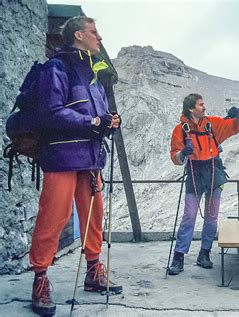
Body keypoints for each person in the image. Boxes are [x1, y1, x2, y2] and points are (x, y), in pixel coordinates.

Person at [29, 16, 122, 315]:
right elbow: (50, 113)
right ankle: (40, 278)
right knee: (54, 217)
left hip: (91, 156)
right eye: (95, 32)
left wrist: (109, 121)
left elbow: (96, 116)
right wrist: (93, 121)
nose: (100, 37)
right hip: (62, 156)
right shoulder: (57, 67)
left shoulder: (92, 74)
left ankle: (93, 272)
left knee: (95, 216)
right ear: (79, 35)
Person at [168, 94, 239, 275]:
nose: (204, 107)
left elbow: (235, 126)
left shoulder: (212, 124)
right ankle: (178, 257)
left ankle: (204, 254)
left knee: (211, 217)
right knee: (189, 216)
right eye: (201, 105)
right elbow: (175, 157)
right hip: (195, 173)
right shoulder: (180, 130)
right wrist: (182, 154)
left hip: (213, 172)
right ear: (191, 109)